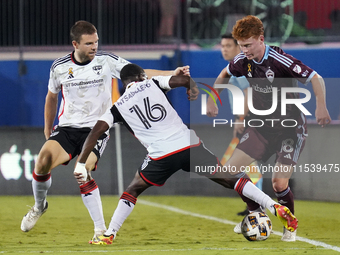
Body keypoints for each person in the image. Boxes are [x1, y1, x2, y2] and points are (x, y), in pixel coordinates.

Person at [73, 63, 298, 245]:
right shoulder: (152, 83)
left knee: (133, 189)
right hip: (189, 145)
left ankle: (110, 233)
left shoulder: (117, 106)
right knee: (231, 178)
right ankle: (274, 206)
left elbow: (97, 130)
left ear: (125, 84)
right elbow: (181, 80)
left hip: (160, 155)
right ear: (141, 76)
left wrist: (82, 162)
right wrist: (192, 88)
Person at [20, 20, 190, 241]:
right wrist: (47, 128)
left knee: (83, 170)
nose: (94, 47)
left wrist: (171, 71)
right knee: (42, 161)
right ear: (75, 44)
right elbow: (51, 97)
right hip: (67, 128)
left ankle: (100, 230)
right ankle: (39, 206)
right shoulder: (59, 67)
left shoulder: (106, 61)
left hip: (97, 128)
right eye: (89, 43)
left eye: (96, 42)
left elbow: (138, 72)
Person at [207, 15, 331, 241]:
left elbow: (315, 77)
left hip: (289, 128)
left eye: (247, 45)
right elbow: (225, 73)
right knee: (228, 172)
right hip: (261, 127)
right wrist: (213, 99)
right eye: (241, 45)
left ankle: (289, 227)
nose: (243, 50)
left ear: (261, 39)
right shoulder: (242, 61)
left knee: (278, 183)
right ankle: (256, 212)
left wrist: (321, 107)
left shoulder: (280, 60)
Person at [218, 34, 263, 217]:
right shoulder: (238, 65)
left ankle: (256, 202)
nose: (224, 49)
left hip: (250, 118)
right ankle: (255, 201)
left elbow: (249, 91)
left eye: (228, 45)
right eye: (222, 46)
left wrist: (241, 117)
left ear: (238, 47)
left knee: (247, 162)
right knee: (249, 162)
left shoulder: (241, 66)